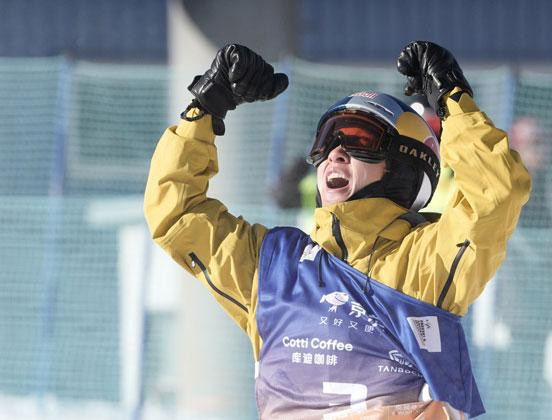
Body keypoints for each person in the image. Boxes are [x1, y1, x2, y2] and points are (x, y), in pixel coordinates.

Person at [144, 42, 531, 419]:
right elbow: (176, 213)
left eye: (360, 140)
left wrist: (453, 98)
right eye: (326, 140)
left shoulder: (424, 264)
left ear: (402, 167)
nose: (335, 152)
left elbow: (496, 193)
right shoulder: (274, 269)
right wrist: (206, 106)